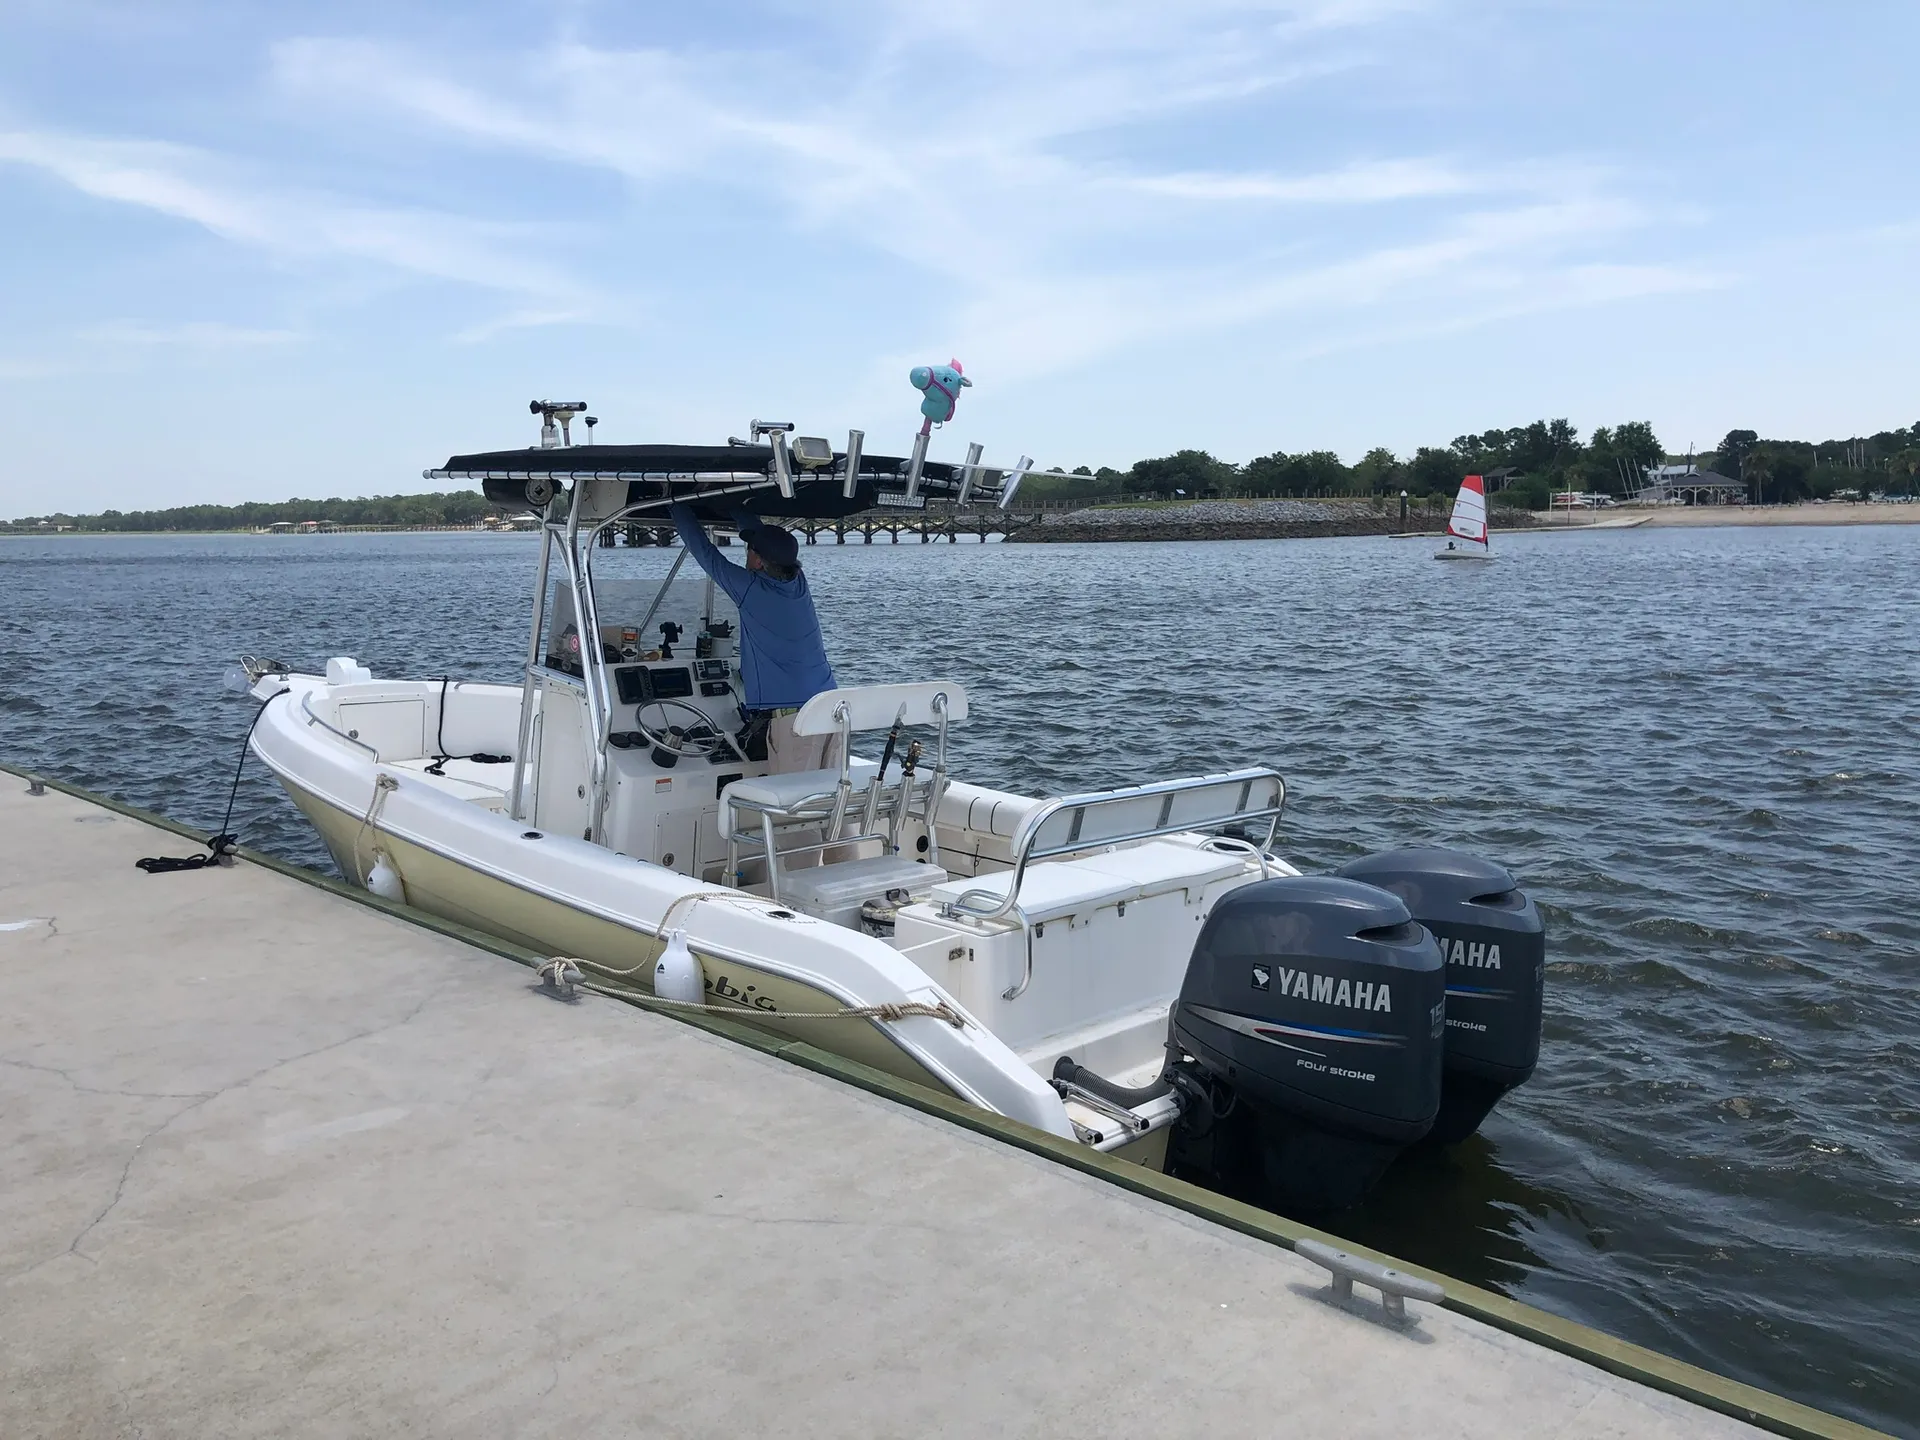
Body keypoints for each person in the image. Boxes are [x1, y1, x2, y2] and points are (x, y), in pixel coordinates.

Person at [668, 500, 839, 775]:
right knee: (826, 796)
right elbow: (764, 537)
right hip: (831, 708)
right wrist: (734, 508)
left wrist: (676, 505)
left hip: (795, 719)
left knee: (794, 803)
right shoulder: (798, 583)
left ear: (758, 560)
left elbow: (705, 553)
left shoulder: (749, 588)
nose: (745, 556)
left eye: (748, 551)